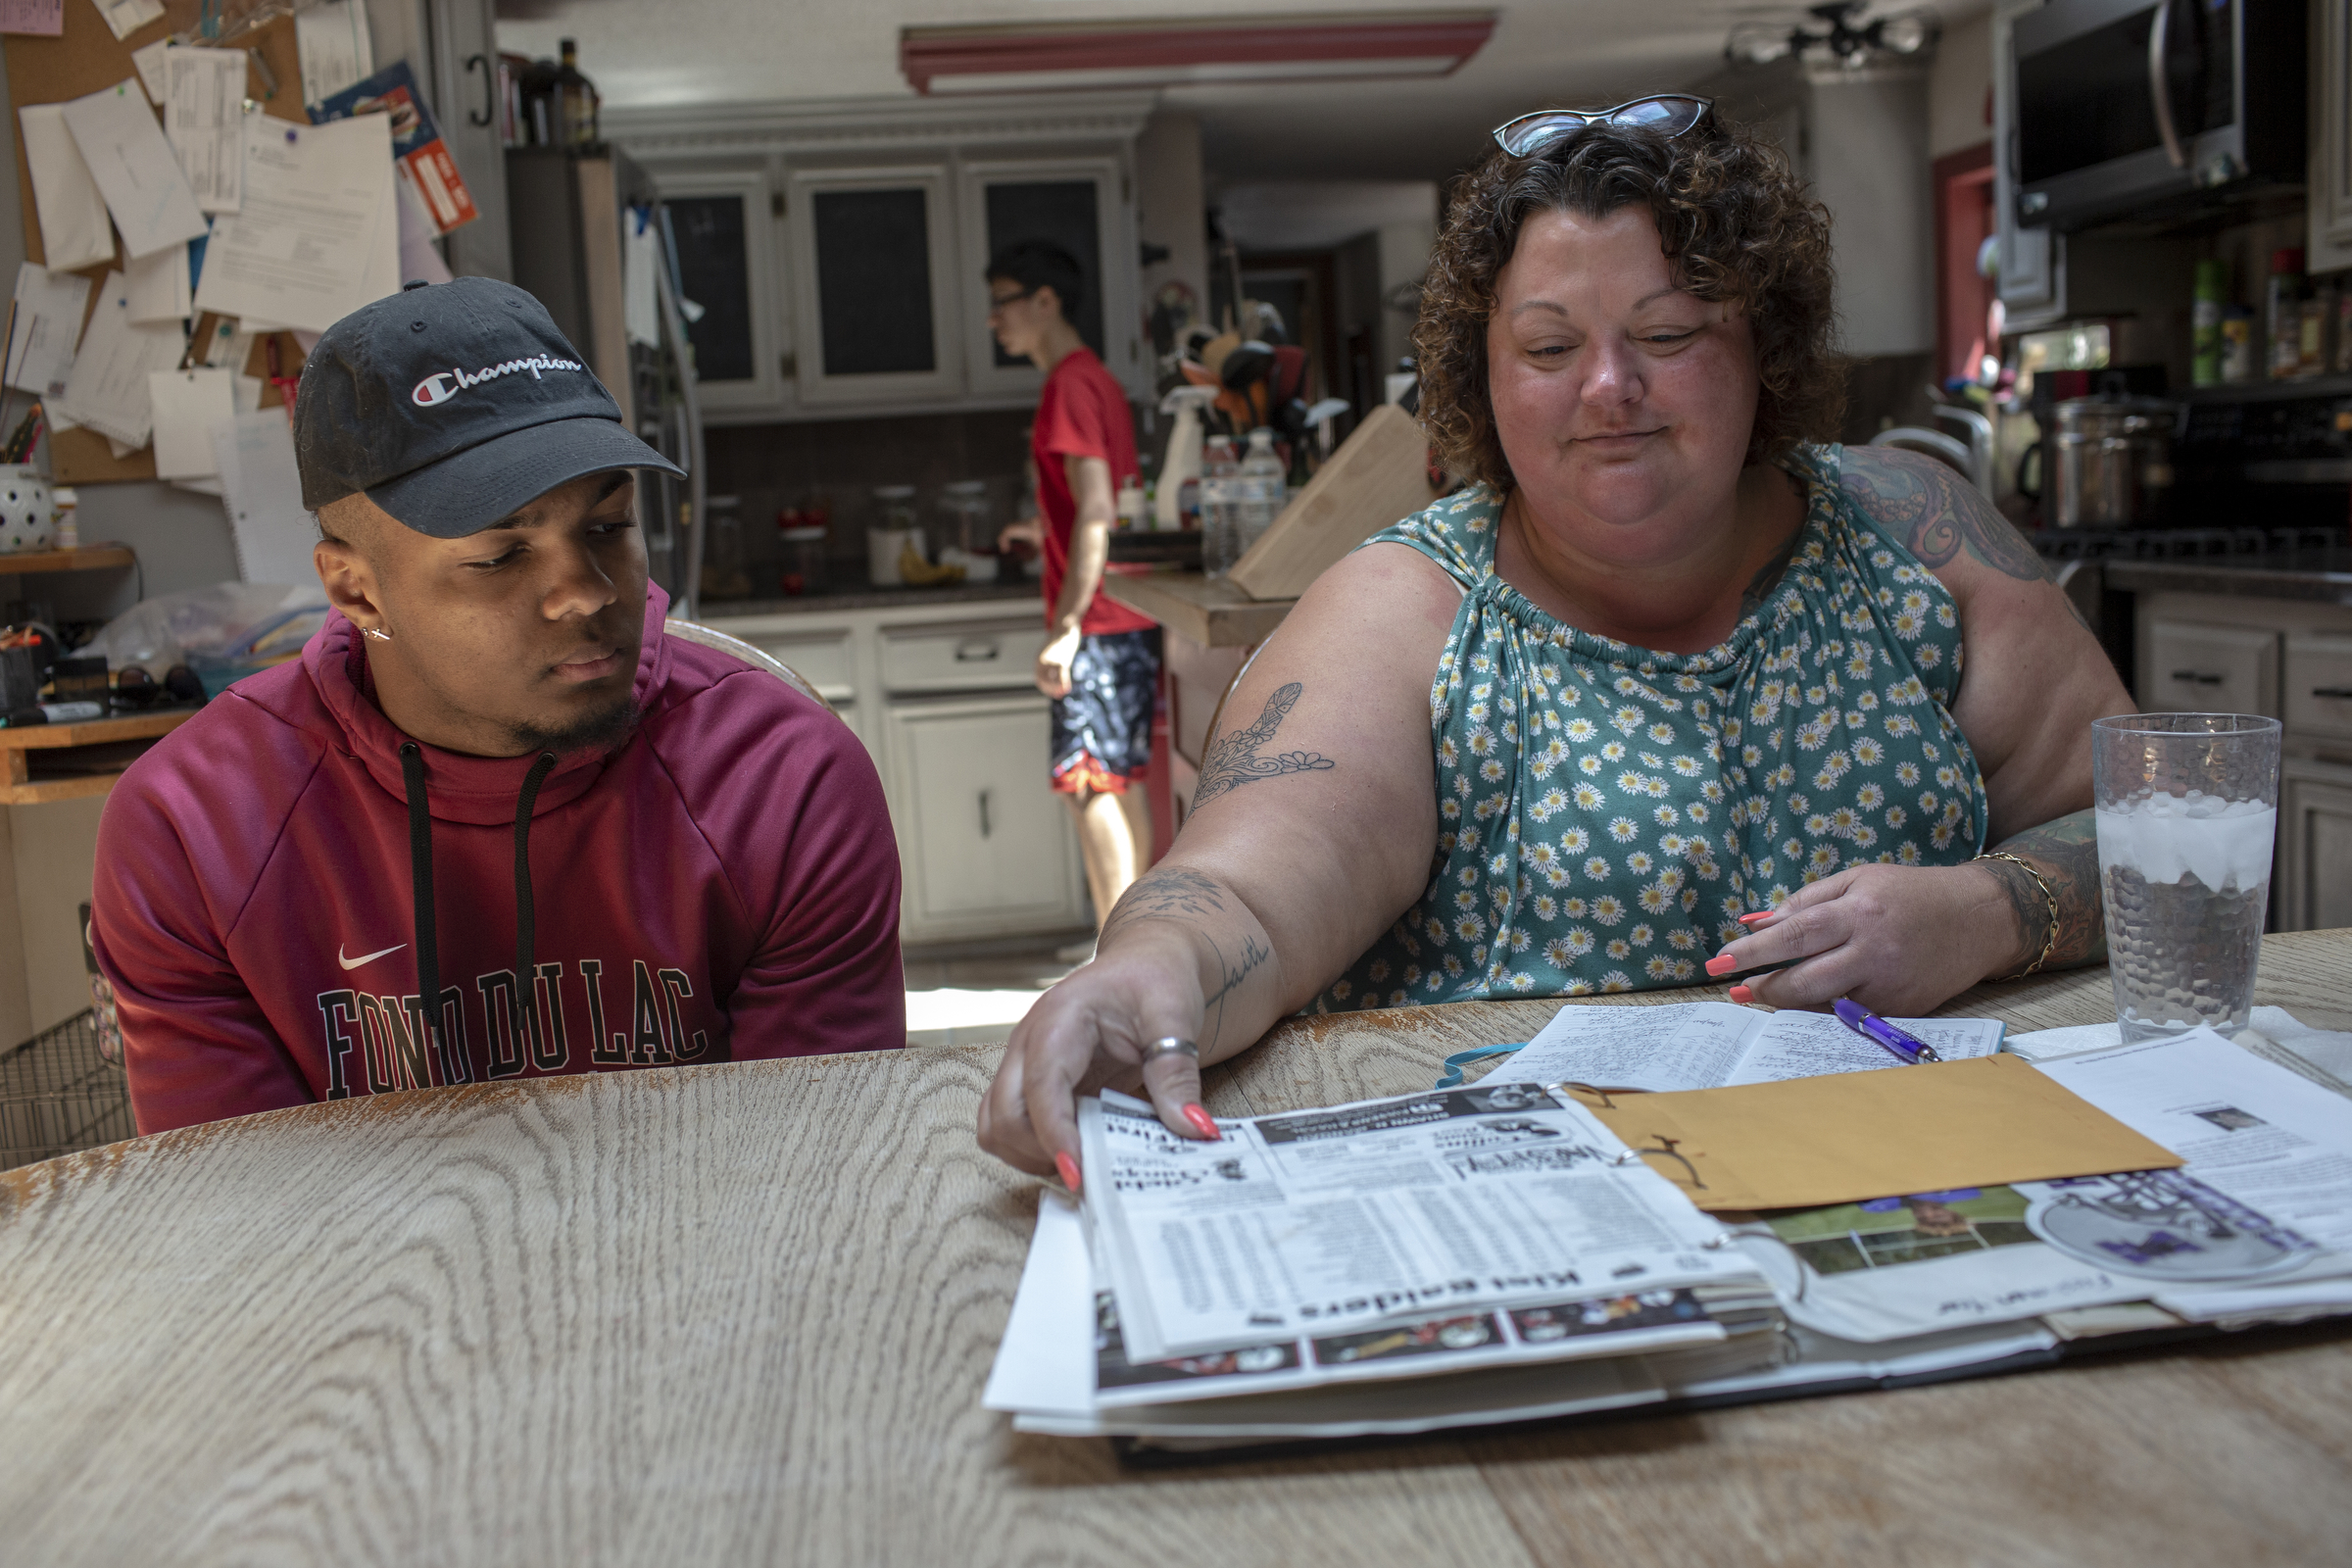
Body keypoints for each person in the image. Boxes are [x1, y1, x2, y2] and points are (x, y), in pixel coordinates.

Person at [979, 97, 2130, 1185]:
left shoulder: (1914, 540)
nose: (1609, 387)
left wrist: (1988, 910)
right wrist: (1147, 973)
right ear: (1480, 378)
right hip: (1537, 1211)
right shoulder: (1402, 610)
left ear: (1763, 344)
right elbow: (1248, 889)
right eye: (1545, 348)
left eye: (1667, 332)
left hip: (1925, 1167)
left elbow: (2157, 830)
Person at [93, 277, 905, 1135]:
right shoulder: (192, 829)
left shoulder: (778, 780)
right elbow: (243, 1218)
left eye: (607, 527)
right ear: (358, 591)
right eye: (501, 555)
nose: (584, 596)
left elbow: (816, 1165)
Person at [985, 240, 1159, 940]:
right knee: (1117, 781)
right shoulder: (1096, 380)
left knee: (1090, 785)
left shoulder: (1067, 385)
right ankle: (1141, 948)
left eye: (1003, 302)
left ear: (1045, 302)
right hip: (1124, 612)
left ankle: (1120, 958)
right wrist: (1044, 531)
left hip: (1099, 620)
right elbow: (1092, 507)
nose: (993, 320)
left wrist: (1066, 626)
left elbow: (1097, 510)